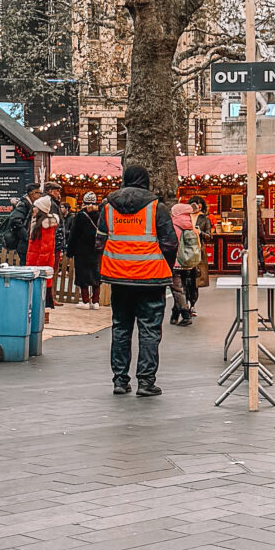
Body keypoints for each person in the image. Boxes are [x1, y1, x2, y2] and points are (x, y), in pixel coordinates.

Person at [100, 159, 177, 395]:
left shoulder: (108, 206)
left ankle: (120, 380)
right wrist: (166, 267)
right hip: (151, 279)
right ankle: (146, 382)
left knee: (121, 328)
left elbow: (99, 241)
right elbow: (170, 243)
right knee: (150, 330)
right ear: (146, 181)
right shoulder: (157, 208)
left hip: (119, 278)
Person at [169, 188, 202, 326]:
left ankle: (185, 313)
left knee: (176, 288)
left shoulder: (174, 225)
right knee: (181, 287)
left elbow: (171, 243)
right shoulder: (190, 225)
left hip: (176, 261)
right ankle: (174, 314)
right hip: (187, 261)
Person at [68, 191, 105, 306]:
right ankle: (95, 300)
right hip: (97, 249)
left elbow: (74, 234)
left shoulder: (80, 215)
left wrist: (70, 251)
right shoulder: (100, 215)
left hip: (82, 250)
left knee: (82, 275)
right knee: (96, 275)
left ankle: (85, 300)